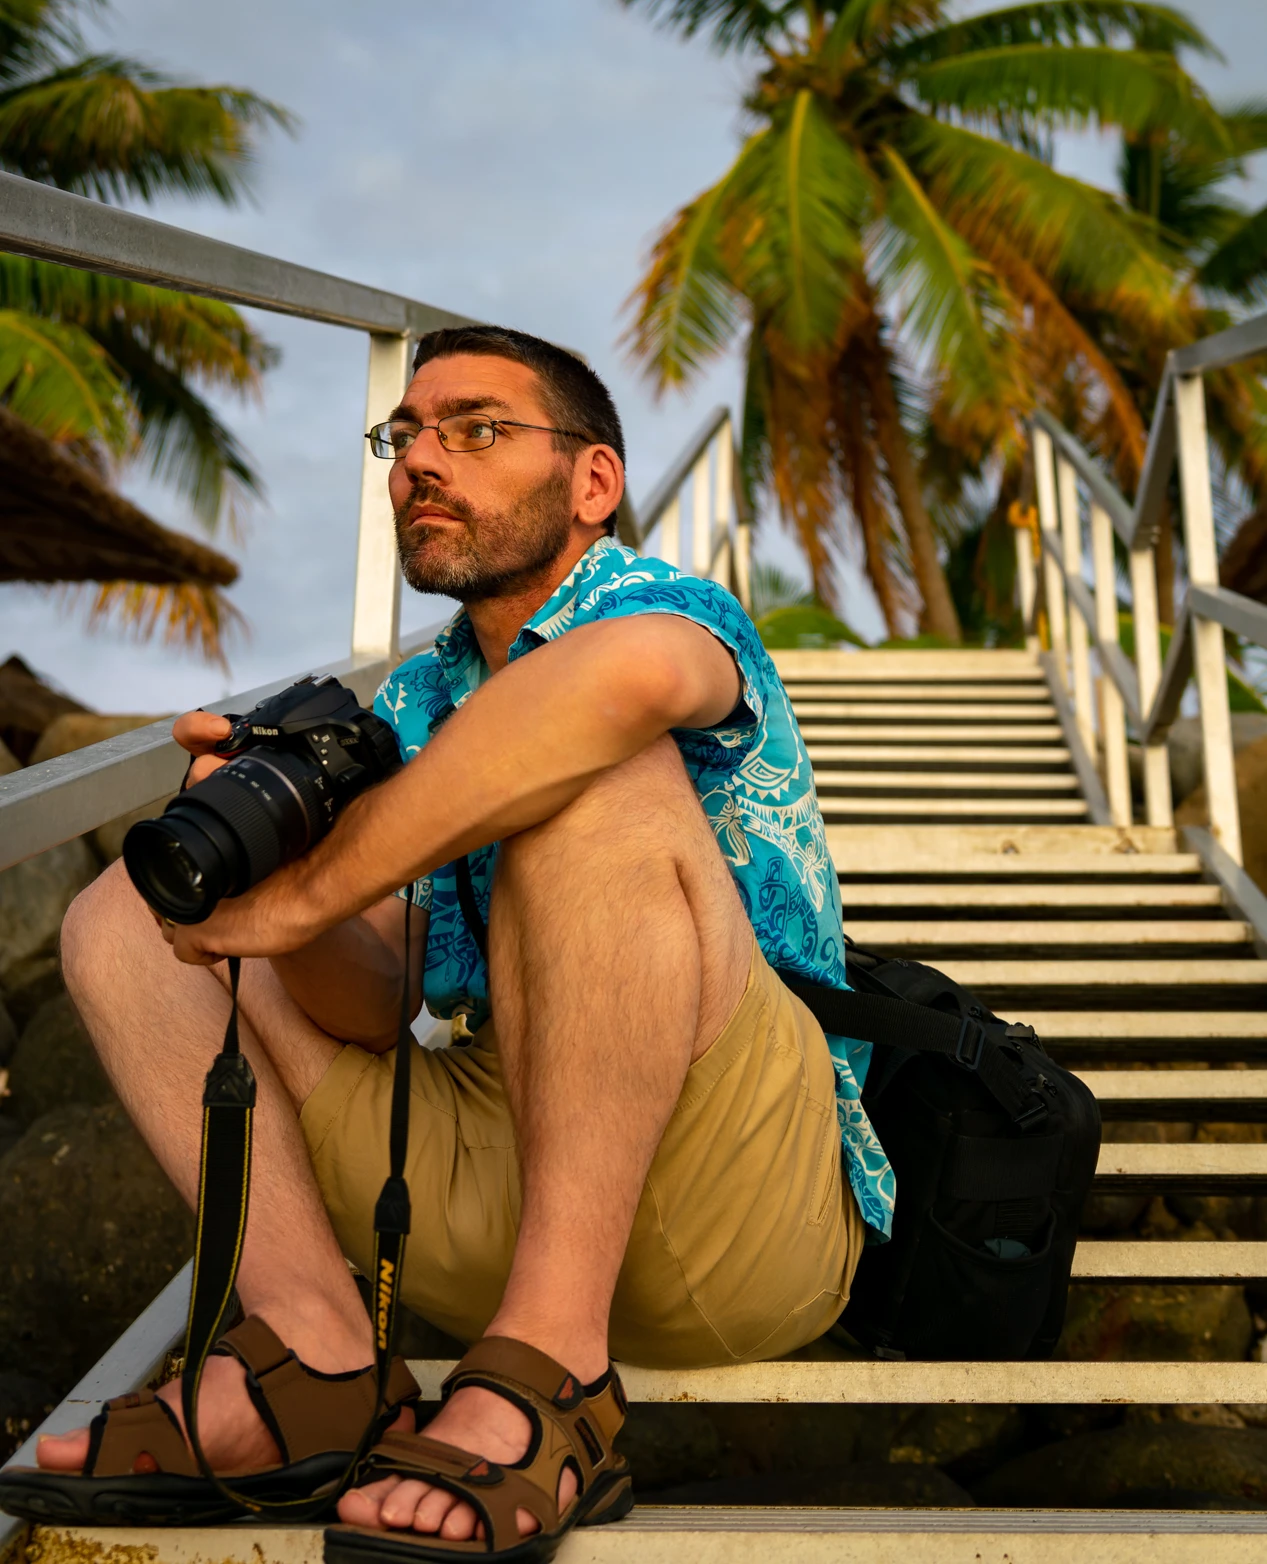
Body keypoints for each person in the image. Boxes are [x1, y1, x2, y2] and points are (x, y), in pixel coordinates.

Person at [14, 325, 893, 1559]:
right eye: (404, 434)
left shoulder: (670, 612)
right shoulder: (409, 707)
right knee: (131, 910)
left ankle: (551, 1370)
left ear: (593, 483)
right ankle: (316, 1359)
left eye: (476, 429)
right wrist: (274, 879)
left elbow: (619, 686)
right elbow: (369, 1007)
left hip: (740, 1196)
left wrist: (302, 899)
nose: (422, 460)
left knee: (591, 779)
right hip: (499, 1170)